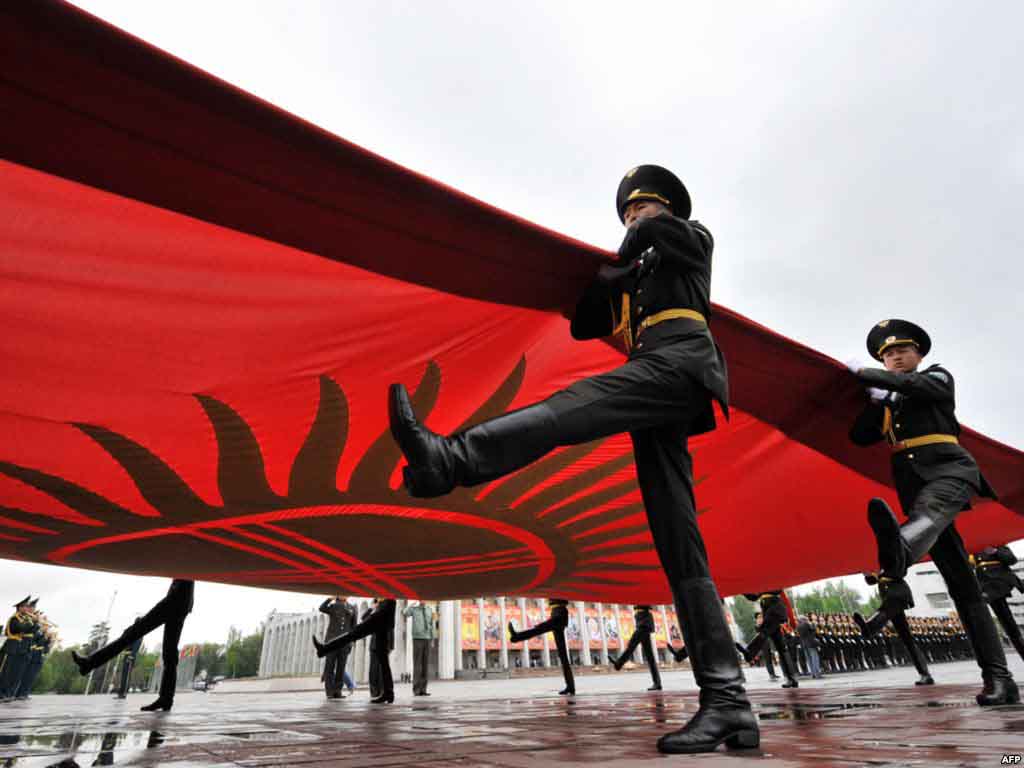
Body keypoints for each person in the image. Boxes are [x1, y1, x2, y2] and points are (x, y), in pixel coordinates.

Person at [389, 165, 756, 754]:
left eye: (641, 208)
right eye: (628, 212)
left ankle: (451, 459)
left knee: (568, 411)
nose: (633, 218)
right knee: (679, 544)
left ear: (666, 208)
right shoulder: (641, 270)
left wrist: (634, 244)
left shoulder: (691, 238)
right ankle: (730, 705)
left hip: (681, 363)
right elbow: (586, 322)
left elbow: (661, 235)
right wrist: (612, 277)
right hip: (660, 383)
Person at [848, 319, 1018, 705]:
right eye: (888, 355)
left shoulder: (937, 378)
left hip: (950, 471)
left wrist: (868, 374)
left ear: (919, 354)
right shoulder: (890, 399)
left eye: (902, 351)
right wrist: (877, 400)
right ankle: (999, 679)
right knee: (963, 586)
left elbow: (917, 386)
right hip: (913, 485)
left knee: (930, 513)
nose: (896, 357)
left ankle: (899, 550)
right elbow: (859, 436)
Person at [72, 579, 195, 712]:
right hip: (181, 601)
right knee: (169, 652)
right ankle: (166, 699)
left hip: (175, 599)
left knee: (133, 633)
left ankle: (89, 663)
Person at [313, 598, 396, 704]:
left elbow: (383, 613)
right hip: (381, 625)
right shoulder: (384, 602)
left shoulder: (388, 600)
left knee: (352, 635)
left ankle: (324, 649)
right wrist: (373, 608)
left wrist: (374, 611)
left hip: (379, 621)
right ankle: (389, 693)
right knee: (384, 663)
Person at [508, 599, 575, 695]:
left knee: (539, 629)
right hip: (557, 612)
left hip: (559, 613)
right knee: (563, 655)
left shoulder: (558, 592)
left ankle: (516, 636)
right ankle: (570, 687)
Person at [736, 591, 798, 688]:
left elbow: (777, 590)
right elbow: (754, 597)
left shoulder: (770, 585)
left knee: (764, 632)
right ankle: (791, 679)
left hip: (774, 610)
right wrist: (742, 590)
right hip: (769, 612)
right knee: (781, 647)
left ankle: (749, 653)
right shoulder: (761, 588)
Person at [972, 545, 1024, 660]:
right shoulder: (973, 549)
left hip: (1001, 581)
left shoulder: (996, 544)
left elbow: (1012, 560)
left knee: (1008, 622)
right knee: (1006, 622)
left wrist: (996, 551)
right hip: (987, 586)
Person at [609, 604, 662, 691]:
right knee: (650, 656)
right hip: (643, 622)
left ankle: (618, 664)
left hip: (644, 624)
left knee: (631, 645)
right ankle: (657, 683)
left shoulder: (644, 602)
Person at [319, 596, 357, 699]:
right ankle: (329, 692)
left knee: (341, 667)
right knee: (329, 667)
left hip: (345, 643)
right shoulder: (333, 606)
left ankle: (337, 691)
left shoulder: (352, 608)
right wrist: (329, 599)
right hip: (332, 641)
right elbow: (322, 608)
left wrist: (352, 642)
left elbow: (354, 627)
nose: (344, 595)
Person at [0, 596, 36, 701]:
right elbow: (20, 628)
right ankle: (2, 693)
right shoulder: (14, 619)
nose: (27, 609)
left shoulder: (23, 619)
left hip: (17, 647)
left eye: (27, 607)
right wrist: (32, 622)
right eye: (25, 606)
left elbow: (31, 630)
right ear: (19, 608)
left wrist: (35, 623)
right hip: (10, 647)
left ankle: (7, 694)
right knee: (5, 672)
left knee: (13, 673)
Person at [14, 604, 52, 700]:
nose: (40, 618)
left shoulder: (35, 626)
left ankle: (23, 693)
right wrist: (42, 633)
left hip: (36, 654)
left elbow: (42, 643)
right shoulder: (28, 623)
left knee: (30, 677)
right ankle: (17, 694)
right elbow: (34, 639)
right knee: (23, 675)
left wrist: (48, 638)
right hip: (29, 651)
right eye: (37, 615)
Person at [402, 600, 437, 696]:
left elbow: (432, 624)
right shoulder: (414, 609)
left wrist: (433, 638)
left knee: (425, 665)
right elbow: (405, 613)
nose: (423, 600)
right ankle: (416, 689)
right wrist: (411, 605)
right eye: (421, 599)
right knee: (417, 665)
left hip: (427, 638)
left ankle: (423, 689)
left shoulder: (430, 610)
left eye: (424, 599)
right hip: (417, 638)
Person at [112, 620, 144, 700]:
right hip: (126, 655)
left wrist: (131, 656)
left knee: (126, 676)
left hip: (130, 657)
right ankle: (121, 692)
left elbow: (136, 646)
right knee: (123, 676)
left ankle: (123, 693)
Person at [795, 615, 823, 679]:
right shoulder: (806, 624)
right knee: (815, 658)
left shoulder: (798, 626)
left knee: (809, 660)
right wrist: (814, 625)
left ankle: (813, 674)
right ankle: (817, 673)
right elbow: (813, 631)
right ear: (804, 619)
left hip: (804, 645)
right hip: (811, 644)